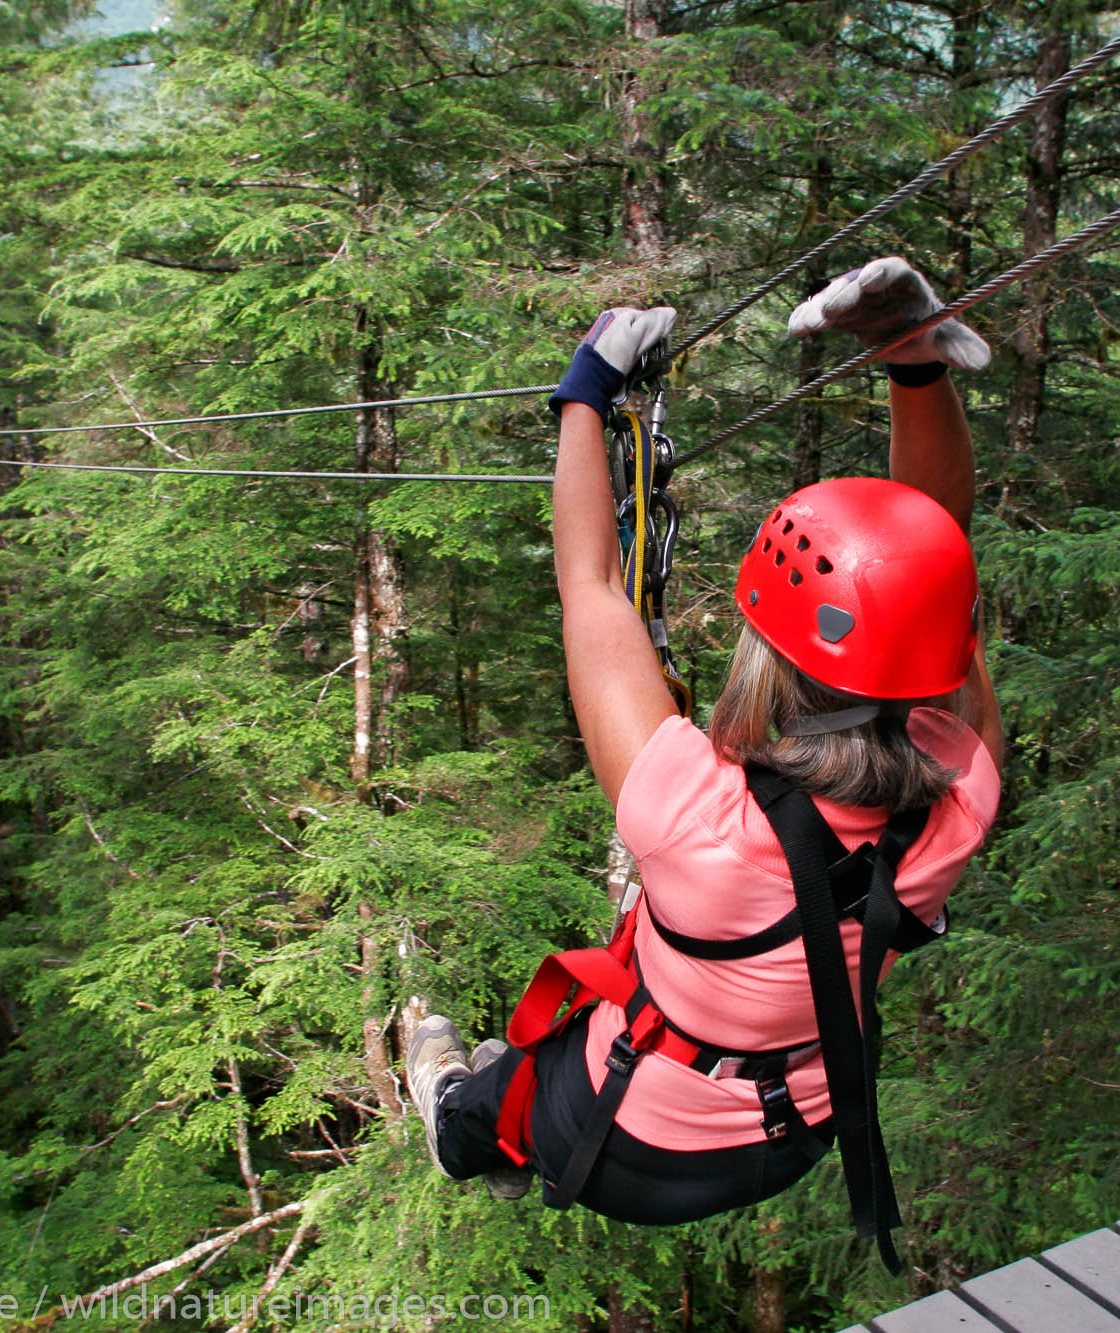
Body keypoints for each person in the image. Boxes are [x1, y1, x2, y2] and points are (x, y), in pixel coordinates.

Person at [403, 257, 1004, 1250]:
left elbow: (591, 584)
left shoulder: (694, 808)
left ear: (763, 644)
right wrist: (914, 365)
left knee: (491, 1103)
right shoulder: (959, 787)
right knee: (573, 1038)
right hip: (801, 1126)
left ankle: (452, 1113)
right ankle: (499, 1104)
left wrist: (582, 394)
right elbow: (936, 544)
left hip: (628, 1140)